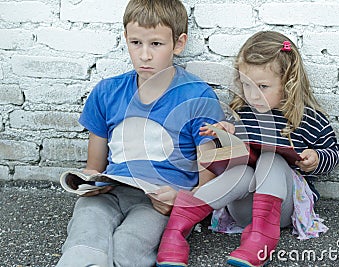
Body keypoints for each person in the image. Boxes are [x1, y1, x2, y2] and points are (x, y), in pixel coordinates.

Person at [56, 0, 224, 266]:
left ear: (178, 44)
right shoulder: (107, 92)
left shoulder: (198, 97)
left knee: (129, 248)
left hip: (160, 201)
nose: (144, 55)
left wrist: (182, 201)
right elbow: (94, 166)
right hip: (109, 191)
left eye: (156, 44)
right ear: (125, 38)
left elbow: (209, 183)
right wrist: (86, 182)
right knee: (83, 241)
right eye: (136, 43)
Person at [156, 31, 339, 267]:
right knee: (242, 171)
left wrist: (316, 158)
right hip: (242, 208)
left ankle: (262, 239)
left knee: (271, 159)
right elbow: (225, 161)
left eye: (262, 86)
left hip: (282, 209)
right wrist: (224, 136)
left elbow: (334, 153)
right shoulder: (240, 115)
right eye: (246, 85)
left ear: (288, 81)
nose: (252, 95)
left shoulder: (308, 119)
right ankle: (175, 232)